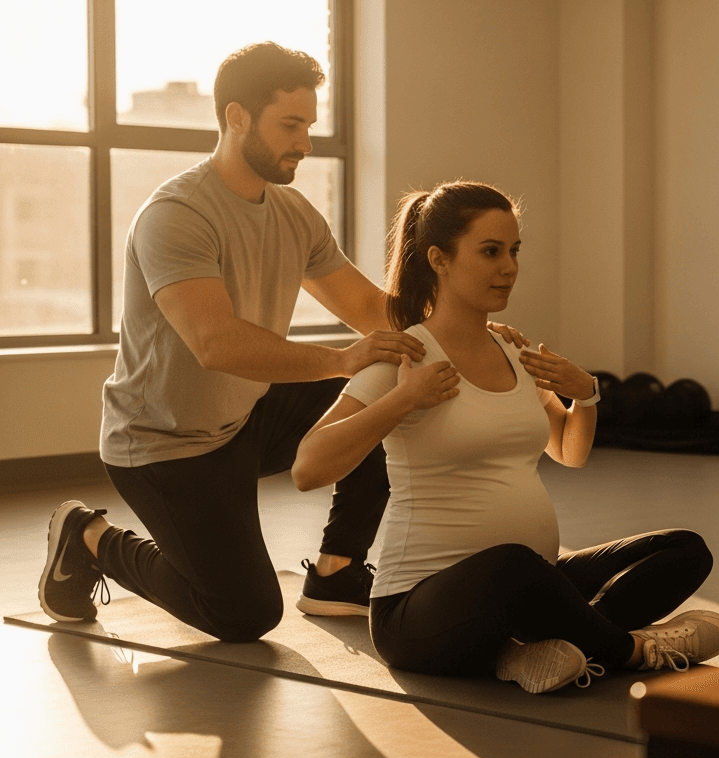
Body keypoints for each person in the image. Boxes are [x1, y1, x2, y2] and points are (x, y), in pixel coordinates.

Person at [36, 42, 524, 641]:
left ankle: (335, 571)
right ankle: (88, 537)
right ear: (236, 117)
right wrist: (341, 360)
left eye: (309, 125)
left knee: (380, 404)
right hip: (164, 442)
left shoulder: (293, 213)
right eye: (290, 125)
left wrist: (469, 328)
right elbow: (214, 343)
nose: (305, 142)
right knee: (243, 614)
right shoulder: (177, 214)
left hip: (244, 417)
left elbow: (371, 309)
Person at [290, 180, 719, 693]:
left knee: (683, 550)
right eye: (490, 251)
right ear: (439, 258)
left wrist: (585, 396)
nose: (509, 267)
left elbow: (569, 451)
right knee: (511, 563)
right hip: (417, 617)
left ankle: (540, 647)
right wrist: (402, 401)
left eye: (514, 251)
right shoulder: (405, 355)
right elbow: (307, 468)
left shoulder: (511, 350)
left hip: (528, 585)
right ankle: (629, 651)